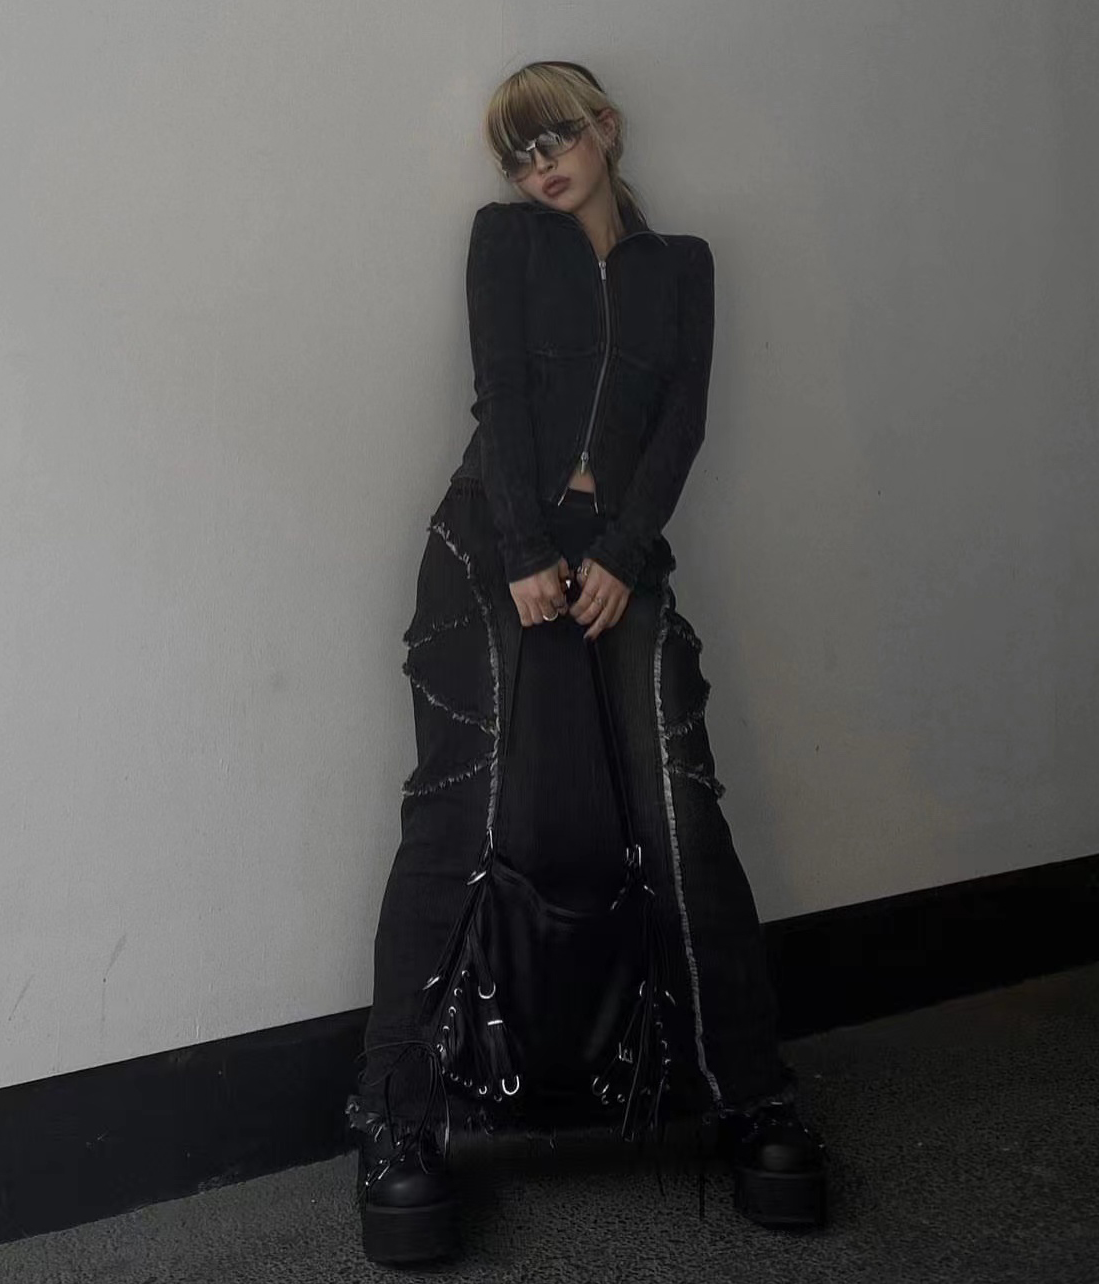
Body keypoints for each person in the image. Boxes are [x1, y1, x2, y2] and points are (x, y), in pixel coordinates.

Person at [345, 60, 829, 1266]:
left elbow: (682, 424)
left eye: (554, 138)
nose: (538, 166)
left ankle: (751, 1094)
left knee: (679, 812)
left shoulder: (683, 268)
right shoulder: (506, 242)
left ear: (605, 129)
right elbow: (501, 393)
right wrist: (522, 549)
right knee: (460, 814)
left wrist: (619, 550)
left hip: (620, 559)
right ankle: (396, 1118)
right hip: (489, 546)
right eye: (517, 153)